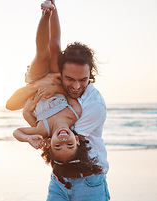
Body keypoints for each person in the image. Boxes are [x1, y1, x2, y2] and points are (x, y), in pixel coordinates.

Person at [6, 9, 109, 201]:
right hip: (59, 179)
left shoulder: (93, 106)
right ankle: (48, 10)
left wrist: (31, 121)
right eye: (69, 79)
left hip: (90, 180)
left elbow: (68, 138)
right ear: (61, 73)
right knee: (48, 48)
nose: (75, 86)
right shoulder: (70, 101)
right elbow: (55, 44)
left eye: (82, 80)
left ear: (90, 74)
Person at [13, 0, 103, 190]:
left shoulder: (42, 130)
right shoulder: (75, 113)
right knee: (54, 46)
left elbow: (17, 132)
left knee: (42, 52)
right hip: (54, 79)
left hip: (37, 81)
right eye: (69, 145)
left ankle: (44, 14)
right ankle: (52, 7)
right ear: (75, 140)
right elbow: (69, 96)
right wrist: (56, 88)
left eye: (58, 146)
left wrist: (29, 137)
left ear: (49, 143)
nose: (63, 141)